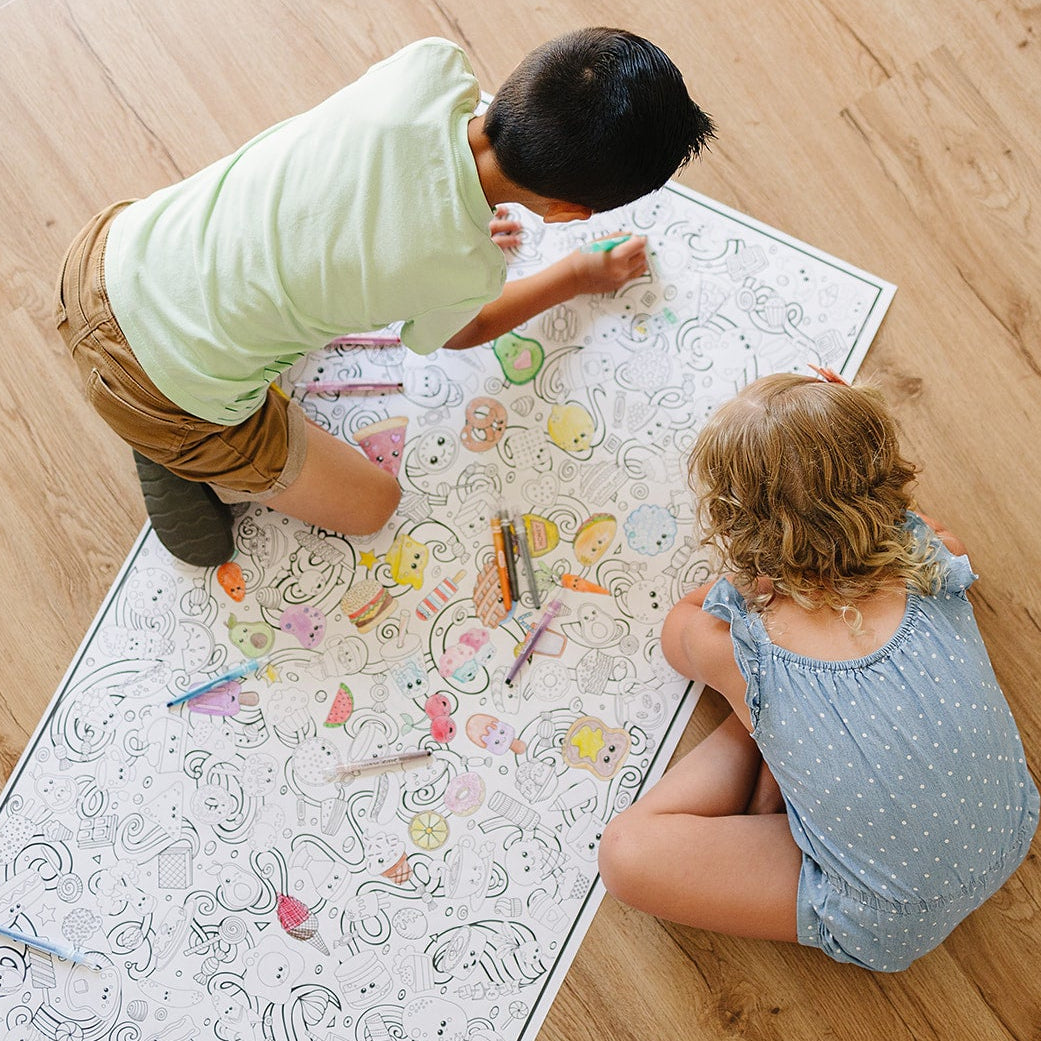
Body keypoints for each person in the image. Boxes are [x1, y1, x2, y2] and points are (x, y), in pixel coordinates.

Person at [53, 28, 715, 566]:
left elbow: (388, 182)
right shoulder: (466, 269)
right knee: (372, 506)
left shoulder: (430, 66)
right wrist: (573, 276)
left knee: (288, 272)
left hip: (105, 256)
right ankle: (182, 449)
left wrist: (462, 217)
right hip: (162, 394)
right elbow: (462, 330)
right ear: (569, 212)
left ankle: (173, 397)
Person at [598, 372, 1039, 972]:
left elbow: (678, 629)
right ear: (884, 475)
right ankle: (783, 735)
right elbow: (917, 520)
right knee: (788, 708)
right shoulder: (933, 556)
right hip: (1013, 828)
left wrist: (749, 594)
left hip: (888, 917)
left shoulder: (741, 646)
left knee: (624, 853)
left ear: (737, 528)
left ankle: (768, 737)